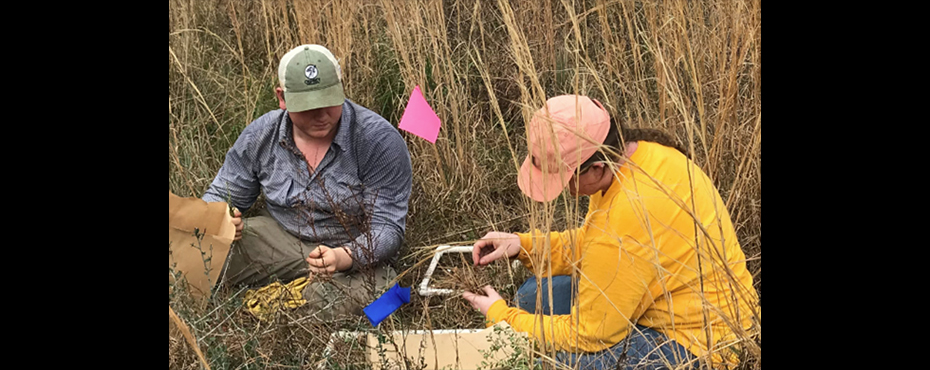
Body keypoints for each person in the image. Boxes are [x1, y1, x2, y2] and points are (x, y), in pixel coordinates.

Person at [462, 95, 759, 369]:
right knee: (533, 297)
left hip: (704, 346)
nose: (564, 189)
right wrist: (524, 245)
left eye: (564, 178)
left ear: (596, 168)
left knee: (565, 361)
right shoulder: (639, 158)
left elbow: (590, 334)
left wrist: (502, 318)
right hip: (662, 298)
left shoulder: (629, 213)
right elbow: (596, 242)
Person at [201, 44, 413, 320]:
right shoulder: (260, 135)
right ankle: (296, 301)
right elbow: (222, 194)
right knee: (196, 250)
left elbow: (387, 229)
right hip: (278, 237)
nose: (321, 115)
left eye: (328, 101)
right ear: (282, 98)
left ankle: (289, 305)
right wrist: (220, 217)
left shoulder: (379, 140)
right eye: (308, 106)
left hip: (353, 253)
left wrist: (342, 257)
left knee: (387, 300)